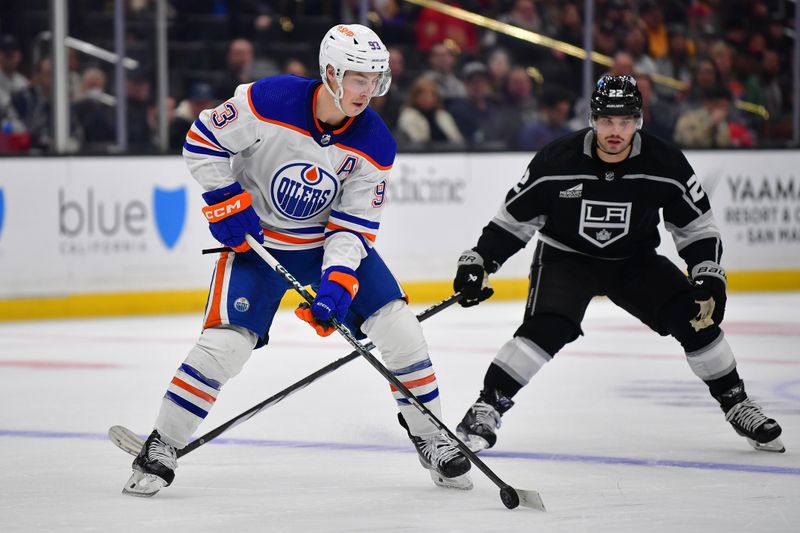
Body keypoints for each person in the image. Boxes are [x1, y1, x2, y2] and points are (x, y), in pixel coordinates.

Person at [123, 23, 471, 497]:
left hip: (324, 245)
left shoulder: (375, 141)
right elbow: (202, 140)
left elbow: (353, 225)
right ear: (330, 73)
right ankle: (161, 444)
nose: (368, 92)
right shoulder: (269, 100)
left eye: (375, 80)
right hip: (256, 245)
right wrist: (226, 201)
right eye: (358, 79)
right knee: (225, 346)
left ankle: (430, 436)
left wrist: (336, 282)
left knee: (402, 329)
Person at [452, 75, 784, 456]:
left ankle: (737, 402)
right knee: (547, 327)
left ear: (639, 120)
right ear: (593, 120)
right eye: (607, 121)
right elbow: (514, 221)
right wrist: (481, 259)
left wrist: (707, 272)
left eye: (624, 121)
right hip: (567, 257)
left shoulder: (665, 162)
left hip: (634, 260)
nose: (615, 131)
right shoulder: (556, 159)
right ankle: (486, 408)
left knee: (696, 318)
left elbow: (695, 226)